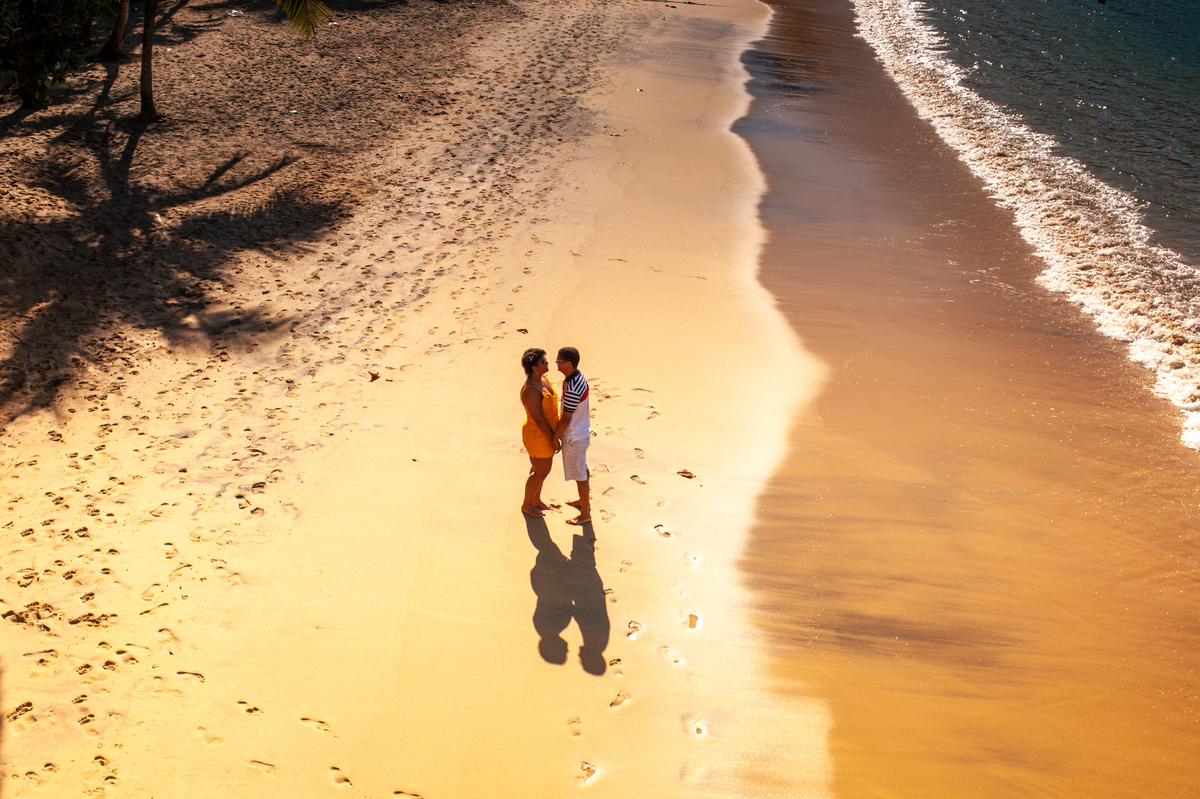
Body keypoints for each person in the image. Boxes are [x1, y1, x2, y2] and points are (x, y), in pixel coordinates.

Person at [553, 346, 590, 526]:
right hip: (580, 432)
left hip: (574, 436)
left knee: (580, 475)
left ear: (568, 363)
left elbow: (567, 418)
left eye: (559, 361)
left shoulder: (573, 386)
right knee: (582, 470)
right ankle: (583, 503)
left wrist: (554, 438)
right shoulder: (577, 377)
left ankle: (585, 514)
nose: (556, 364)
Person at [520, 348, 560, 517]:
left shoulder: (542, 379)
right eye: (543, 362)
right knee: (541, 471)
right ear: (535, 368)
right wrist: (553, 438)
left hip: (546, 431)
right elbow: (539, 420)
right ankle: (527, 505)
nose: (547, 363)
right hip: (538, 434)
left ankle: (536, 500)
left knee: (539, 468)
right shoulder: (530, 390)